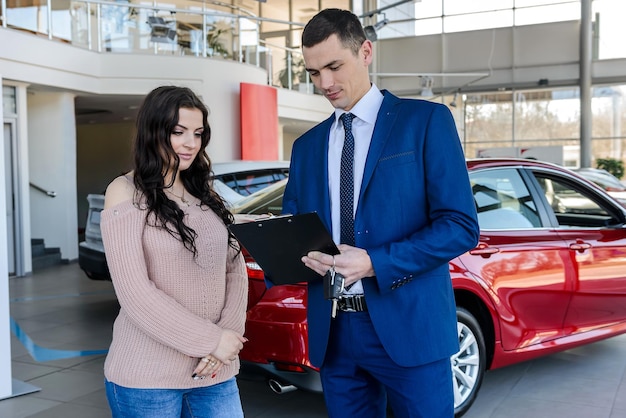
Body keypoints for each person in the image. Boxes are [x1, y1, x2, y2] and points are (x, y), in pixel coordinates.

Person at [282, 9, 480, 418]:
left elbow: (460, 226)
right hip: (336, 331)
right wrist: (285, 252)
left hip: (410, 326)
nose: (325, 84)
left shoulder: (424, 122)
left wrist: (374, 262)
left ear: (366, 51)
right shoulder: (306, 146)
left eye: (334, 66)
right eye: (314, 73)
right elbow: (296, 227)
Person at [100, 85, 248, 418]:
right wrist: (212, 340)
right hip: (147, 377)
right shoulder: (124, 191)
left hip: (216, 371)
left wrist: (229, 337)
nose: (190, 143)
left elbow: (234, 270)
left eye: (197, 133)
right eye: (178, 132)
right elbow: (135, 293)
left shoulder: (204, 193)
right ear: (153, 131)